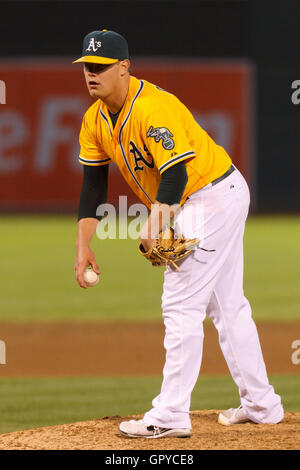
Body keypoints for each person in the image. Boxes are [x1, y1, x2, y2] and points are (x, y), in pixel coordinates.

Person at [73, 29, 284, 439]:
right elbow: (93, 188)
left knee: (180, 303)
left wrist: (153, 225)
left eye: (100, 67)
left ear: (124, 67)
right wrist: (83, 247)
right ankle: (262, 404)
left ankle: (169, 415)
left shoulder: (154, 108)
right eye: (87, 67)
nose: (92, 74)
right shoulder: (93, 120)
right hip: (204, 198)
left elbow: (175, 174)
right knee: (228, 307)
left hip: (210, 196)